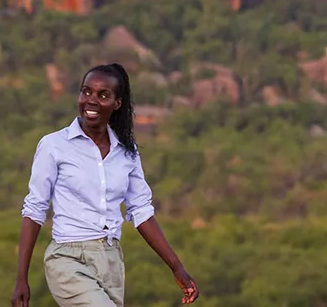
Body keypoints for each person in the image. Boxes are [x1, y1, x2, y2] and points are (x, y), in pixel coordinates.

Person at [12, 64, 199, 307]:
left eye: (102, 95)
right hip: (68, 259)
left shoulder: (126, 153)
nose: (91, 100)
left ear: (117, 103)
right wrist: (21, 279)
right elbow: (34, 210)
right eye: (86, 91)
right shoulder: (54, 146)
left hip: (111, 262)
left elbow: (142, 213)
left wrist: (177, 267)